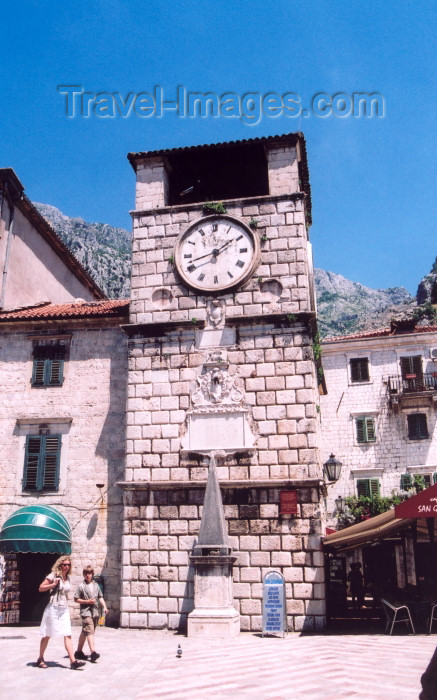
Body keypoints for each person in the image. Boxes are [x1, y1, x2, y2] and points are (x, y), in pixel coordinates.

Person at [36, 555, 85, 670]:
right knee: (47, 634)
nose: (66, 567)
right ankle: (40, 658)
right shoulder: (53, 576)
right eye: (64, 565)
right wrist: (53, 585)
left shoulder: (67, 578)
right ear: (60, 565)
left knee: (67, 634)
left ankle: (73, 661)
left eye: (68, 565)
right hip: (53, 607)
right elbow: (40, 588)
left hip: (63, 609)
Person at [74, 565, 108, 663]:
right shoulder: (81, 586)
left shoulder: (96, 585)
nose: (88, 575)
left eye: (89, 573)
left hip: (95, 612)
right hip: (86, 612)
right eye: (86, 573)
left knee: (85, 632)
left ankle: (78, 652)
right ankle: (93, 653)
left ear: (92, 574)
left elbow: (100, 597)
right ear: (84, 575)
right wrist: (87, 601)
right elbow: (76, 599)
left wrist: (105, 607)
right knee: (89, 631)